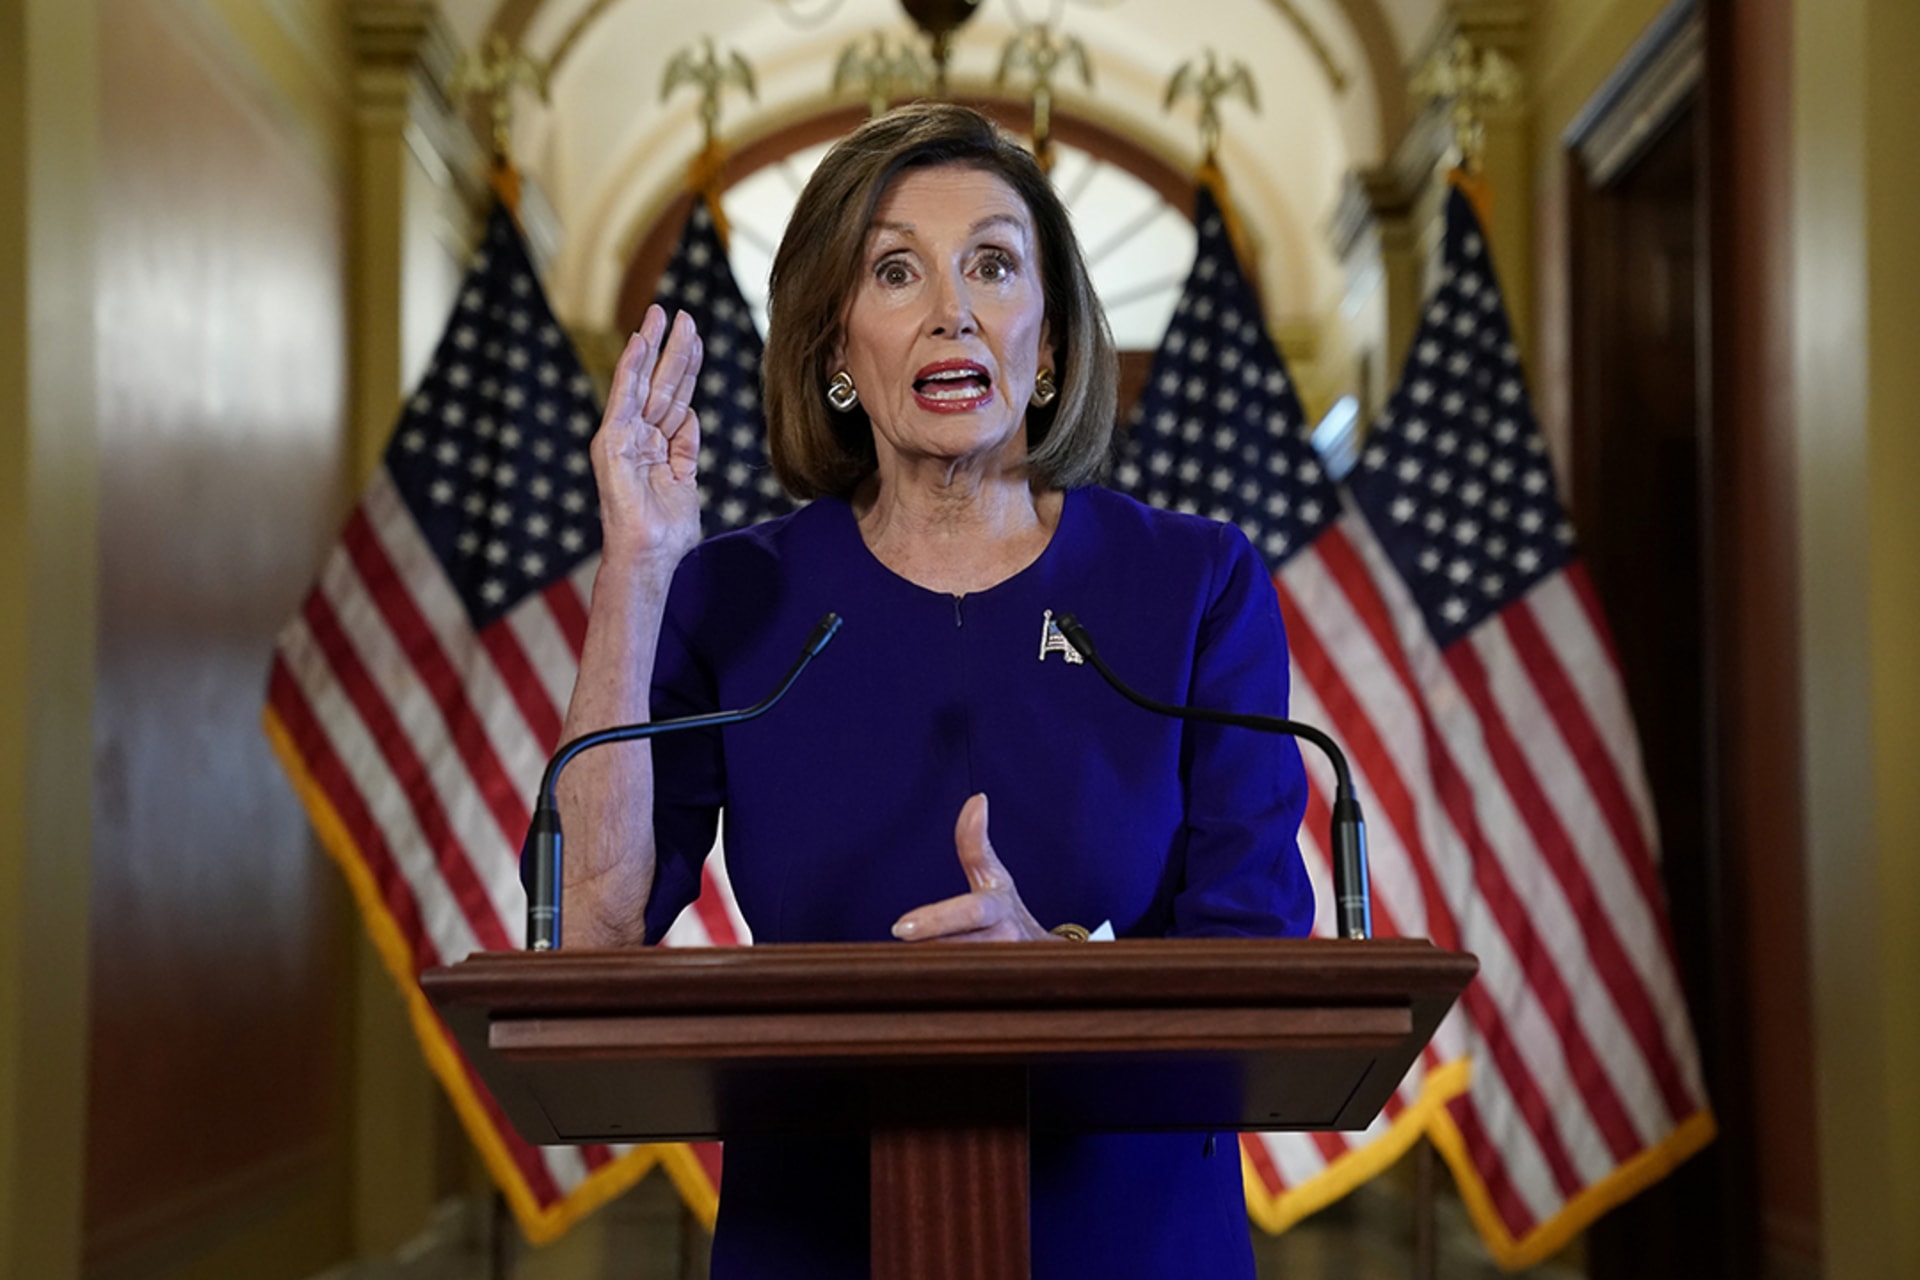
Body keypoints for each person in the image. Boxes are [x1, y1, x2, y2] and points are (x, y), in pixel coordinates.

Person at [558, 102, 1314, 1279]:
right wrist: (638, 567)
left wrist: (1057, 966)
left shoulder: (1192, 583)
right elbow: (591, 939)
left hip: (1131, 1233)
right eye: (896, 269)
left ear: (1050, 340)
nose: (952, 309)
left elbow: (1260, 955)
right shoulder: (733, 597)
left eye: (994, 265)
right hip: (817, 1232)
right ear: (837, 346)